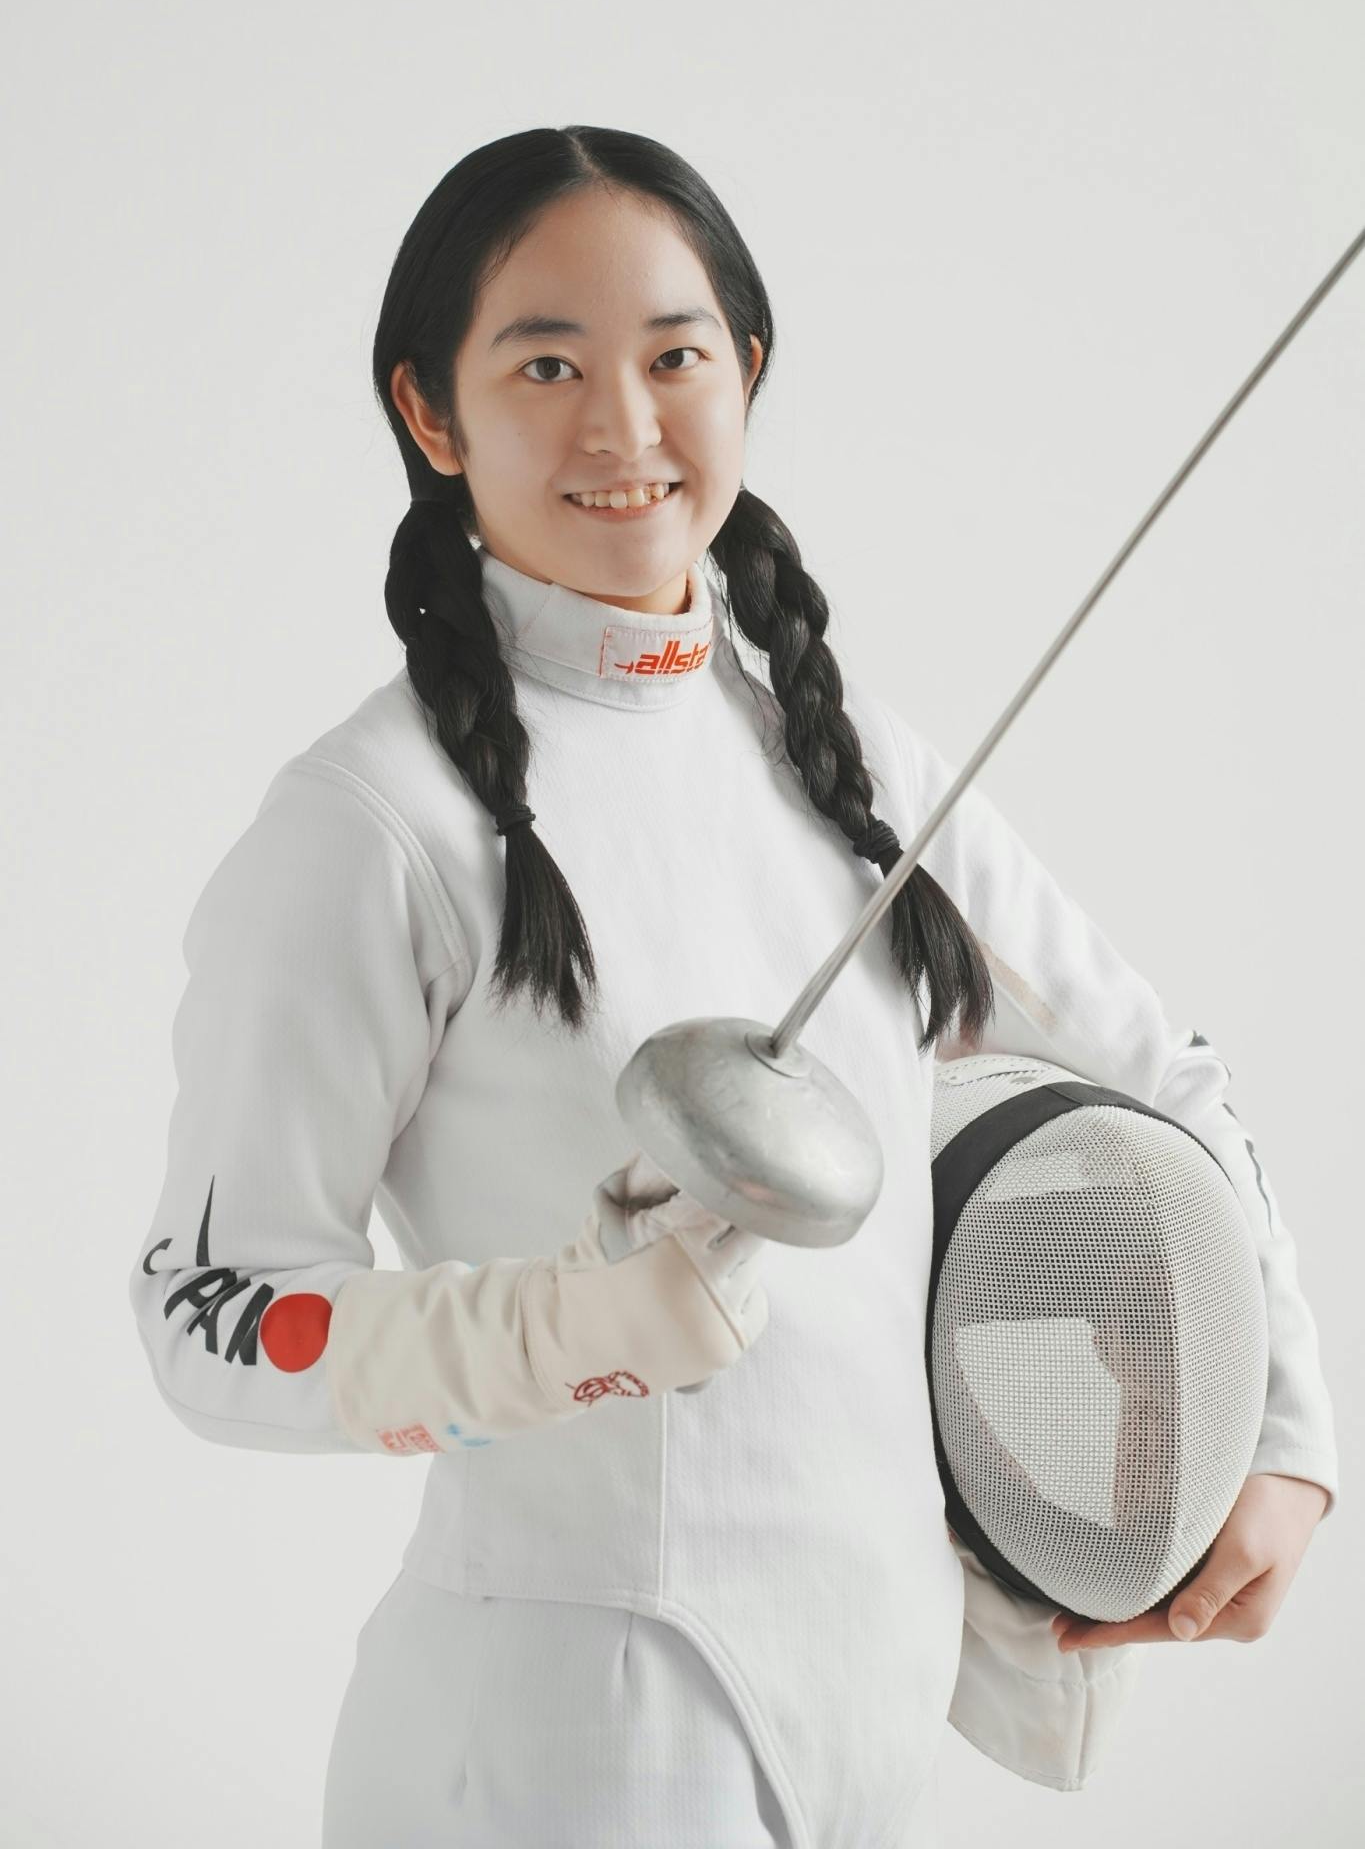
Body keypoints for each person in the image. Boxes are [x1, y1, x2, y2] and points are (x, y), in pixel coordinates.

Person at [128, 127, 1338, 1848]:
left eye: (675, 357)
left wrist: (1282, 1435)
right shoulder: (373, 823)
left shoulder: (849, 767)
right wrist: (565, 1331)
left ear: (746, 369)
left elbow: (1163, 1073)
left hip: (873, 1709)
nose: (623, 427)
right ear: (429, 412)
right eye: (546, 364)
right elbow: (210, 1312)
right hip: (565, 1739)